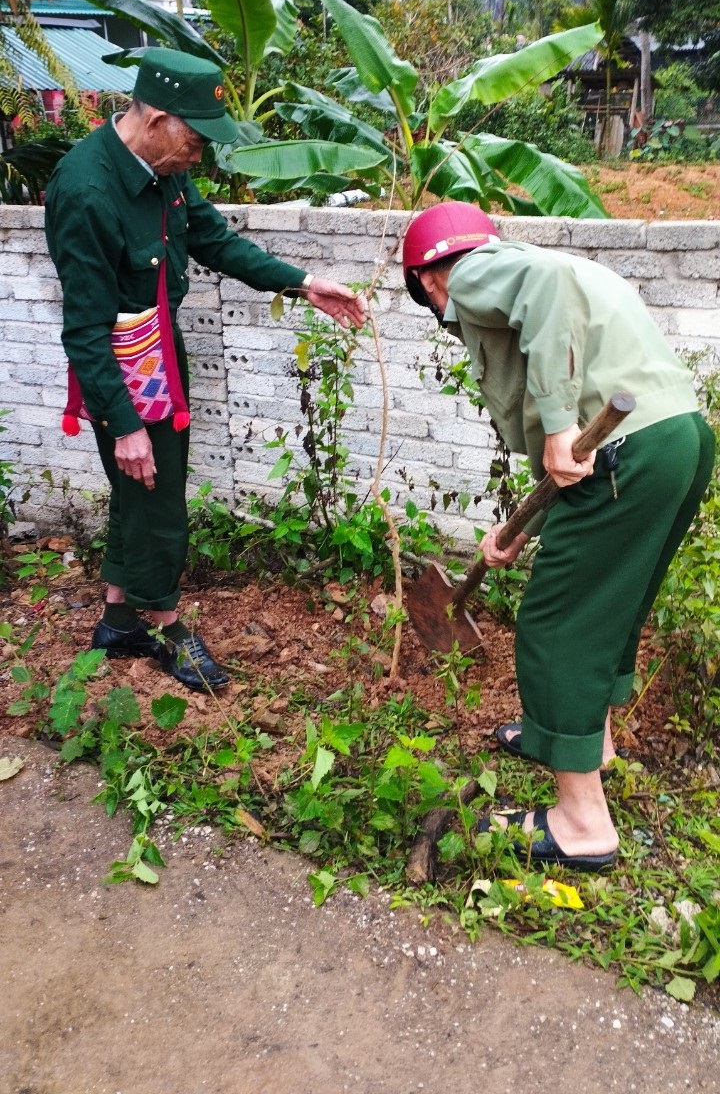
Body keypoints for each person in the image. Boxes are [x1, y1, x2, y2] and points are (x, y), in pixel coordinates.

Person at [402, 201, 715, 872]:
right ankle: (585, 738)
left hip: (629, 451)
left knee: (555, 624)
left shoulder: (474, 273)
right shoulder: (542, 266)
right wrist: (519, 529)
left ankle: (581, 825)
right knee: (608, 609)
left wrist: (552, 425)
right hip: (677, 439)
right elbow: (574, 456)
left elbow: (567, 427)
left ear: (428, 282)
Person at [45, 47, 366, 694]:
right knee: (157, 498)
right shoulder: (85, 192)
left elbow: (216, 240)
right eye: (194, 140)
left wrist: (305, 284)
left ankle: (115, 618)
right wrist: (125, 421)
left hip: (157, 348)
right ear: (158, 118)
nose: (199, 156)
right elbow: (83, 329)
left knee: (141, 492)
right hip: (118, 366)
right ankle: (164, 626)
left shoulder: (164, 171)